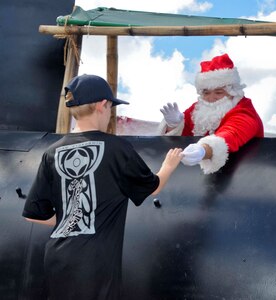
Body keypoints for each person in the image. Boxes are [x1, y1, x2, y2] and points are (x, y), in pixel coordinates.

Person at [22, 74, 183, 299]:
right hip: (95, 263)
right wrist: (169, 165)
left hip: (58, 259)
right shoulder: (117, 148)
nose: (110, 113)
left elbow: (33, 215)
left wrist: (72, 219)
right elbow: (152, 187)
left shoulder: (52, 152)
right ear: (101, 105)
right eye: (110, 107)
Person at [158, 53, 264, 174]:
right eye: (206, 93)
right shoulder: (198, 109)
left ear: (232, 92)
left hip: (244, 176)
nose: (211, 98)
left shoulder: (245, 111)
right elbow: (182, 138)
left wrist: (204, 150)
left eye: (218, 93)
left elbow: (232, 133)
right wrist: (174, 125)